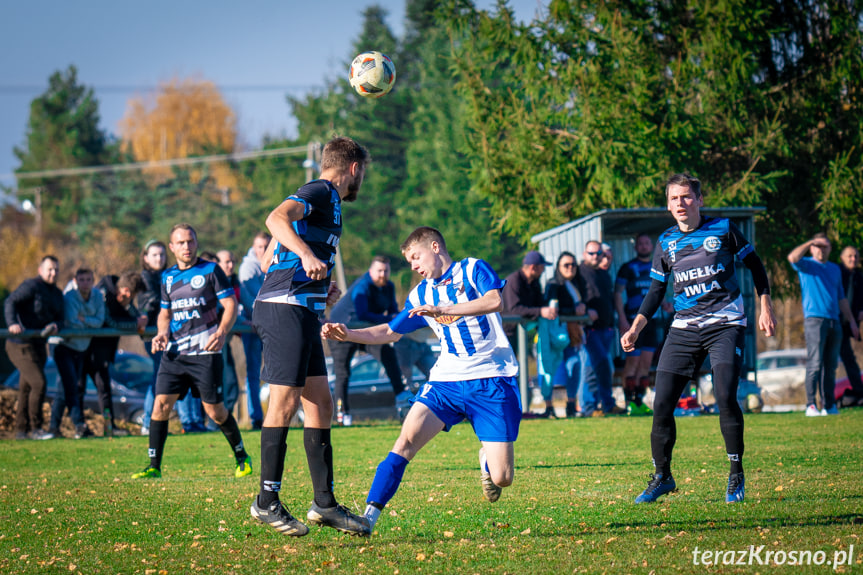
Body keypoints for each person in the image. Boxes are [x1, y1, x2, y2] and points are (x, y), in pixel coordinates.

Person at [320, 226, 521, 536]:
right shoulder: (420, 294)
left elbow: (495, 301)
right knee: (405, 442)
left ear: (435, 246)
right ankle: (368, 520)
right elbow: (389, 331)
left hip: (491, 378)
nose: (412, 265)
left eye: (415, 256)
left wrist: (444, 310)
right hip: (446, 381)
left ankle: (487, 461)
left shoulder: (472, 268)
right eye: (409, 260)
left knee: (503, 477)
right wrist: (348, 333)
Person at [621, 173, 777, 504]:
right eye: (674, 198)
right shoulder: (665, 242)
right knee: (661, 402)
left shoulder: (724, 228)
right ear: (668, 205)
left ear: (699, 200)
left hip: (726, 323)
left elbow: (756, 266)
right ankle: (662, 476)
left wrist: (766, 307)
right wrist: (636, 327)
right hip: (684, 328)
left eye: (687, 197)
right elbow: (655, 290)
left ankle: (736, 474)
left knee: (723, 395)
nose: (681, 203)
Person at [250, 136, 371, 538]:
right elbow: (275, 219)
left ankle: (324, 504)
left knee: (320, 402)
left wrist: (316, 284)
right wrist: (304, 256)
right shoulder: (320, 190)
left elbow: (268, 258)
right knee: (284, 402)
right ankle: (266, 501)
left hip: (299, 306)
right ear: (353, 168)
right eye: (363, 173)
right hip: (284, 308)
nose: (362, 180)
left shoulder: (331, 203)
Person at [131, 223, 252, 480]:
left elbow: (230, 305)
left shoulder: (211, 270)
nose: (187, 247)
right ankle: (154, 465)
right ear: (172, 247)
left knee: (215, 411)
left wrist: (221, 333)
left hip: (205, 353)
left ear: (196, 243)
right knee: (160, 406)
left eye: (191, 241)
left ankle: (242, 456)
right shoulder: (168, 277)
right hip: (174, 354)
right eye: (181, 243)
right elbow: (165, 313)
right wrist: (162, 333)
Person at [328, 256, 407, 424]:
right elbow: (363, 314)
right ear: (370, 271)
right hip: (342, 331)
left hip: (366, 331)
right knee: (343, 373)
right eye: (379, 271)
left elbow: (392, 311)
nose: (382, 274)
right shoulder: (362, 286)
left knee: (388, 355)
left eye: (386, 271)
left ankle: (402, 400)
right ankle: (343, 415)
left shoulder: (389, 287)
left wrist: (398, 318)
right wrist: (388, 319)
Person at [788, 234, 859, 416]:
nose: (821, 249)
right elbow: (792, 258)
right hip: (814, 320)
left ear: (830, 249)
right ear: (812, 248)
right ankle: (811, 404)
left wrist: (851, 320)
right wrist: (810, 242)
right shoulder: (807, 265)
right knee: (815, 362)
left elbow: (841, 298)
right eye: (818, 246)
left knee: (831, 365)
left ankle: (829, 405)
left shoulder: (835, 269)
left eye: (825, 246)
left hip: (834, 321)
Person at [4, 256, 64, 440]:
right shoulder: (31, 286)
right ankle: (36, 428)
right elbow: (10, 302)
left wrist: (56, 326)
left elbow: (61, 318)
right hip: (19, 344)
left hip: (38, 345)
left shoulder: (57, 294)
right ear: (40, 270)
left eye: (56, 269)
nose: (53, 273)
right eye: (49, 269)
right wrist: (12, 323)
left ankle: (21, 431)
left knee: (26, 388)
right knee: (39, 383)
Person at [80, 271, 146, 436]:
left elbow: (132, 313)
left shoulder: (124, 302)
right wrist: (134, 323)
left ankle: (109, 427)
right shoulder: (103, 295)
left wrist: (139, 318)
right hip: (85, 349)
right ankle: (78, 426)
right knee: (77, 388)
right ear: (126, 291)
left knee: (104, 390)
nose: (131, 300)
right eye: (132, 296)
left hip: (103, 352)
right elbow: (109, 322)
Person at [615, 234, 673, 416]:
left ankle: (639, 402)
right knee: (632, 363)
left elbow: (657, 291)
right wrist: (622, 319)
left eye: (647, 243)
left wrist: (664, 304)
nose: (644, 246)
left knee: (646, 364)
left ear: (652, 247)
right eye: (640, 243)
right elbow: (617, 294)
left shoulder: (656, 266)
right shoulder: (628, 268)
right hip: (633, 321)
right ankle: (629, 403)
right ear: (636, 247)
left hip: (652, 322)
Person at [49, 268, 105, 438]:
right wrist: (89, 321)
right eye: (82, 280)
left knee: (66, 388)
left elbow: (100, 321)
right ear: (75, 281)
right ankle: (76, 426)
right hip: (63, 346)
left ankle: (57, 428)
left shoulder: (97, 296)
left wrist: (84, 319)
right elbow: (72, 322)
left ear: (93, 281)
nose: (85, 283)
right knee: (69, 386)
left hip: (81, 347)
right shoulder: (70, 296)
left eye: (89, 279)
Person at [540, 252, 587, 418]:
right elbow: (551, 308)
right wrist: (573, 311)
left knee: (574, 366)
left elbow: (583, 304)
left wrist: (584, 310)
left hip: (572, 335)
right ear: (558, 267)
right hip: (555, 335)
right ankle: (549, 407)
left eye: (573, 265)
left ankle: (571, 404)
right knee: (548, 370)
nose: (570, 268)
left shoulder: (577, 284)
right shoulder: (553, 284)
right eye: (566, 265)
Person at [576, 240, 620, 416]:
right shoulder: (579, 272)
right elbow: (573, 297)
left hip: (606, 328)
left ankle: (606, 404)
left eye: (598, 253)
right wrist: (585, 309)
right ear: (584, 254)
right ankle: (589, 406)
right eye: (591, 253)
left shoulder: (603, 274)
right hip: (589, 328)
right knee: (593, 366)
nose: (595, 257)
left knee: (603, 366)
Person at [238, 232, 270, 430]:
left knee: (276, 372)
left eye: (267, 246)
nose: (263, 250)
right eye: (259, 246)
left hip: (272, 326)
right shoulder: (248, 268)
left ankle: (274, 417)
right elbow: (251, 299)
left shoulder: (276, 263)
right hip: (252, 327)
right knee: (253, 373)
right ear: (253, 247)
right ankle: (255, 417)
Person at [501, 250, 558, 359]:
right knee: (508, 367)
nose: (544, 271)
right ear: (533, 267)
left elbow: (538, 303)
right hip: (506, 333)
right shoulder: (514, 281)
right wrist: (541, 311)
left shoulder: (534, 282)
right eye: (542, 267)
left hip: (520, 331)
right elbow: (515, 310)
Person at [138, 239, 167, 436]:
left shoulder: (166, 275)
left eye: (162, 254)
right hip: (152, 333)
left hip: (167, 331)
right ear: (146, 258)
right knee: (159, 376)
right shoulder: (144, 277)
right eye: (155, 254)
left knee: (163, 376)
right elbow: (153, 301)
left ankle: (155, 420)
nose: (159, 258)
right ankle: (148, 420)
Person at [215, 249, 240, 421]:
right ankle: (215, 422)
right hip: (214, 340)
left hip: (225, 341)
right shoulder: (213, 282)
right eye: (226, 262)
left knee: (231, 385)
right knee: (222, 384)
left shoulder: (235, 282)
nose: (230, 265)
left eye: (232, 261)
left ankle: (224, 421)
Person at [838, 246, 863, 406]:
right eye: (849, 256)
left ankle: (859, 392)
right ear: (842, 258)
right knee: (828, 361)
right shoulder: (837, 273)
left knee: (849, 358)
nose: (853, 259)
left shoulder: (858, 277)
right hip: (834, 322)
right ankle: (823, 400)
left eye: (855, 256)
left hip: (848, 326)